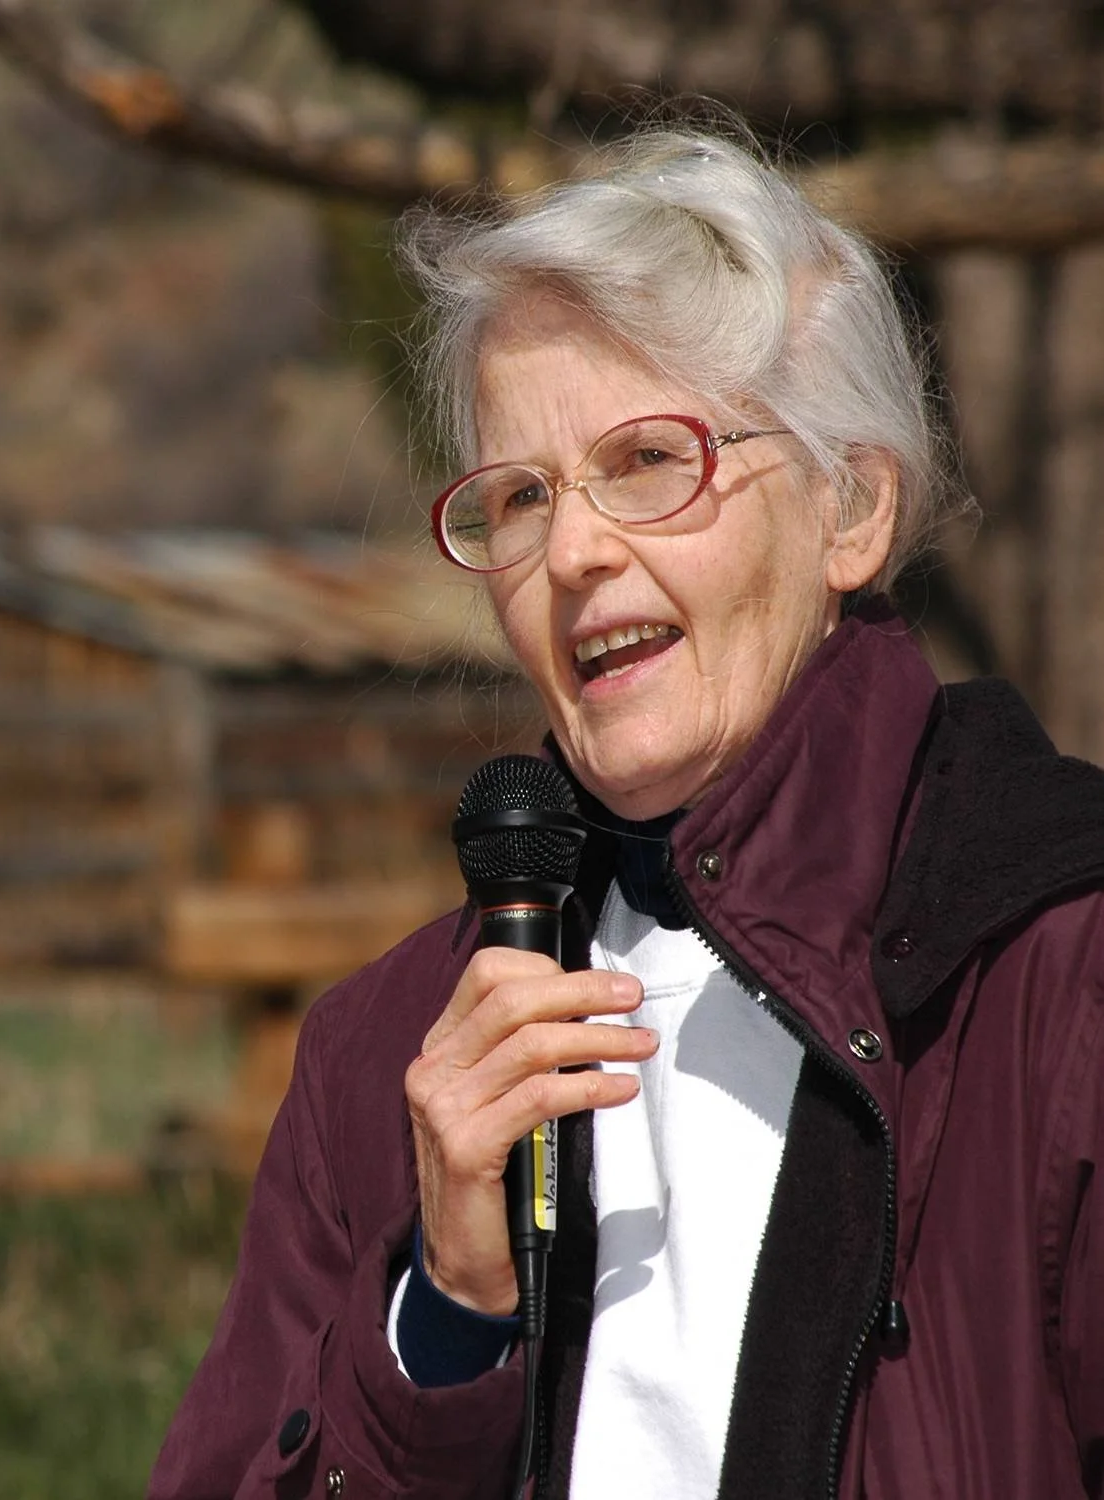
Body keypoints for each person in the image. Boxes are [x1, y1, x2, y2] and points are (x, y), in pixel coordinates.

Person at [149, 128, 1104, 1500]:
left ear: (852, 511)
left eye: (653, 460)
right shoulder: (391, 1058)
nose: (578, 549)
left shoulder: (1057, 968)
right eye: (520, 496)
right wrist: (442, 1321)